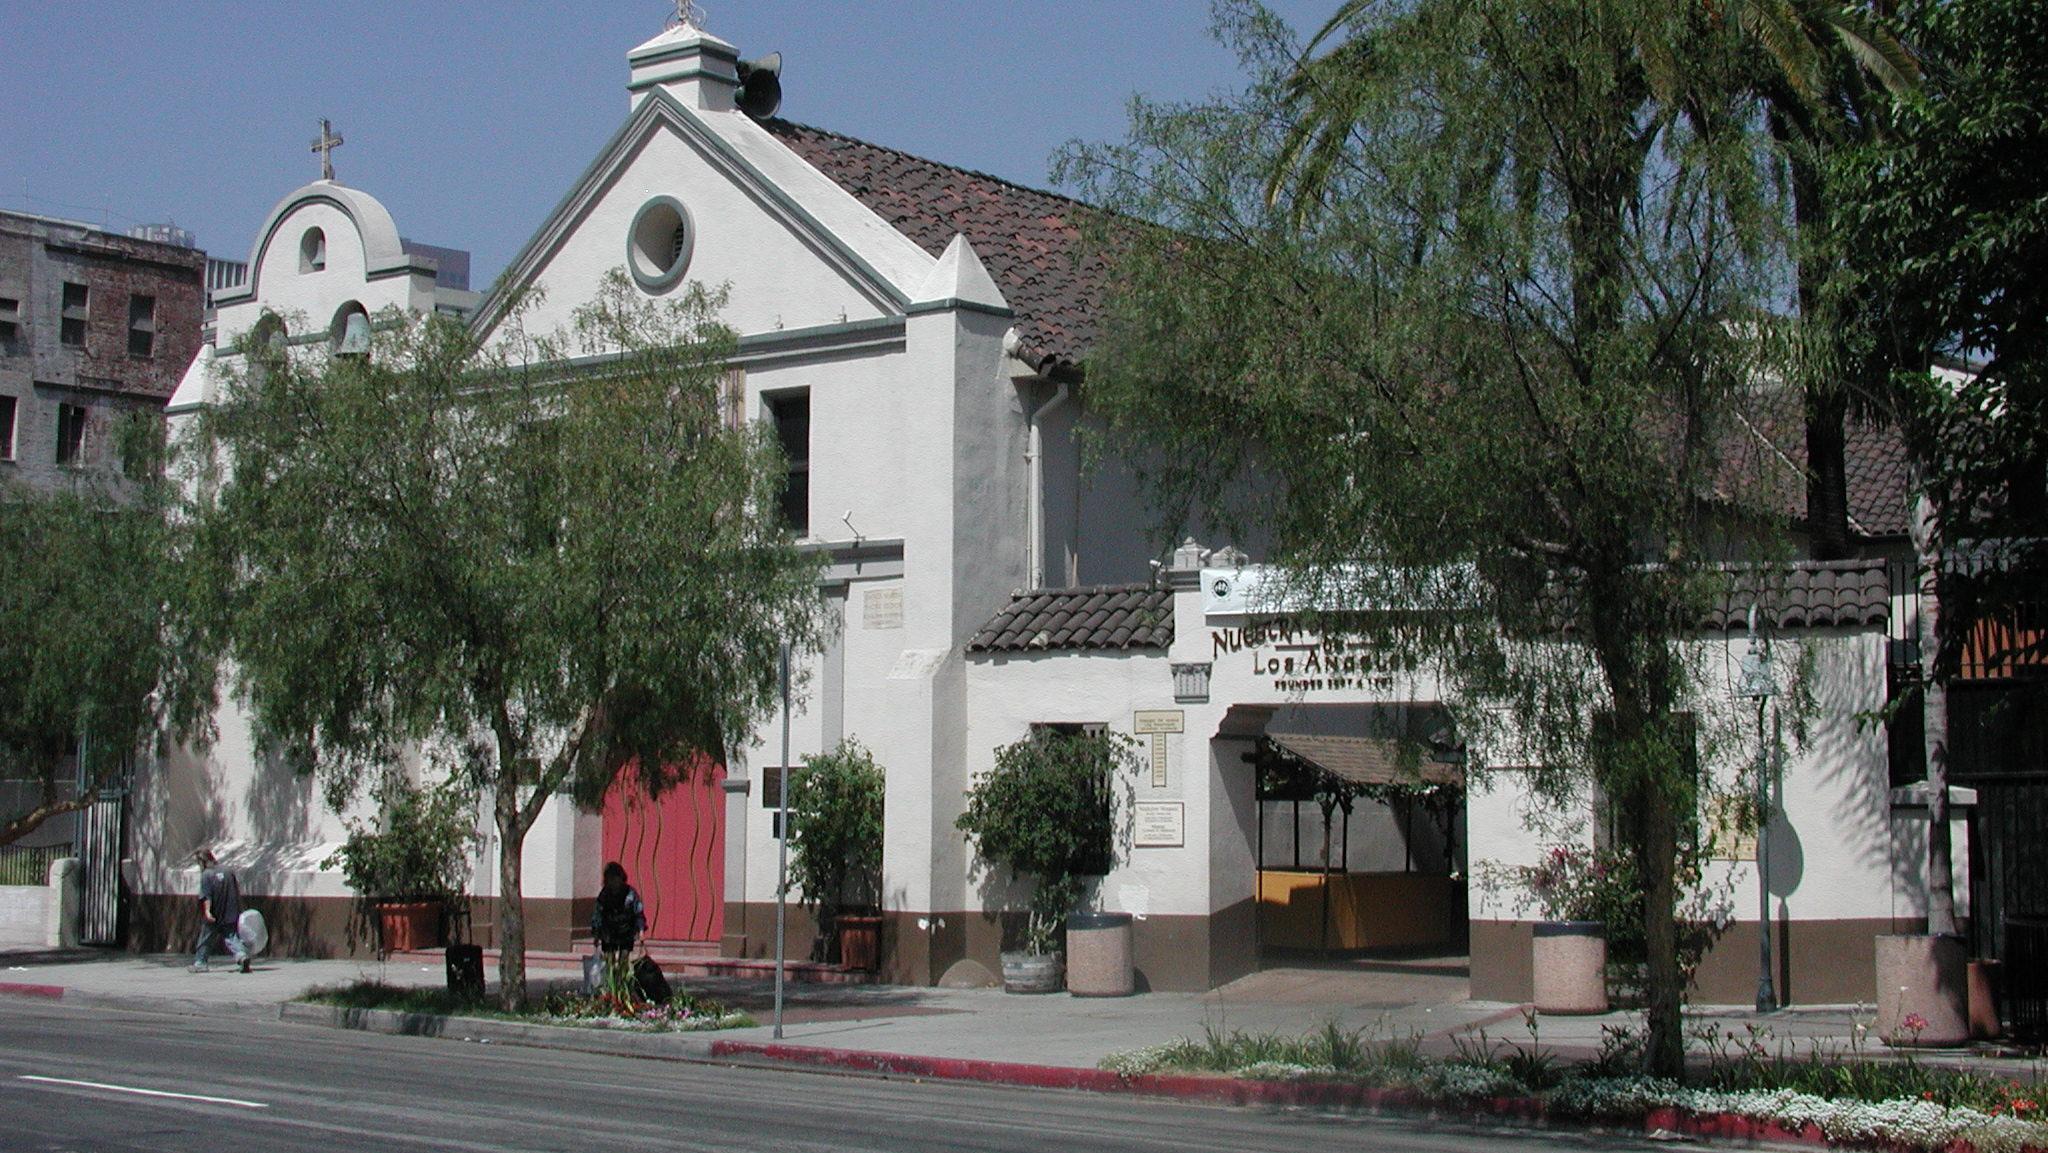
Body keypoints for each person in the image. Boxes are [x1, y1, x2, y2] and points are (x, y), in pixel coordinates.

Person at [190, 848, 249, 973]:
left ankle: (200, 963)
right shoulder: (228, 871)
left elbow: (207, 896)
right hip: (230, 911)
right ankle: (242, 955)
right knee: (231, 936)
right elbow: (236, 891)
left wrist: (207, 912)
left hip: (215, 912)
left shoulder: (207, 874)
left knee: (206, 938)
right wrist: (240, 908)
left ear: (202, 861)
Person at [590, 861, 647, 986]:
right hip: (609, 931)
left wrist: (641, 930)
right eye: (610, 878)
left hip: (626, 930)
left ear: (621, 878)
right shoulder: (604, 894)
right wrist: (596, 934)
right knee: (609, 961)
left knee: (623, 960)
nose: (614, 882)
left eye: (616, 878)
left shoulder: (630, 893)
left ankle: (621, 985)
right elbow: (598, 914)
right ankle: (611, 986)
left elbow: (638, 912)